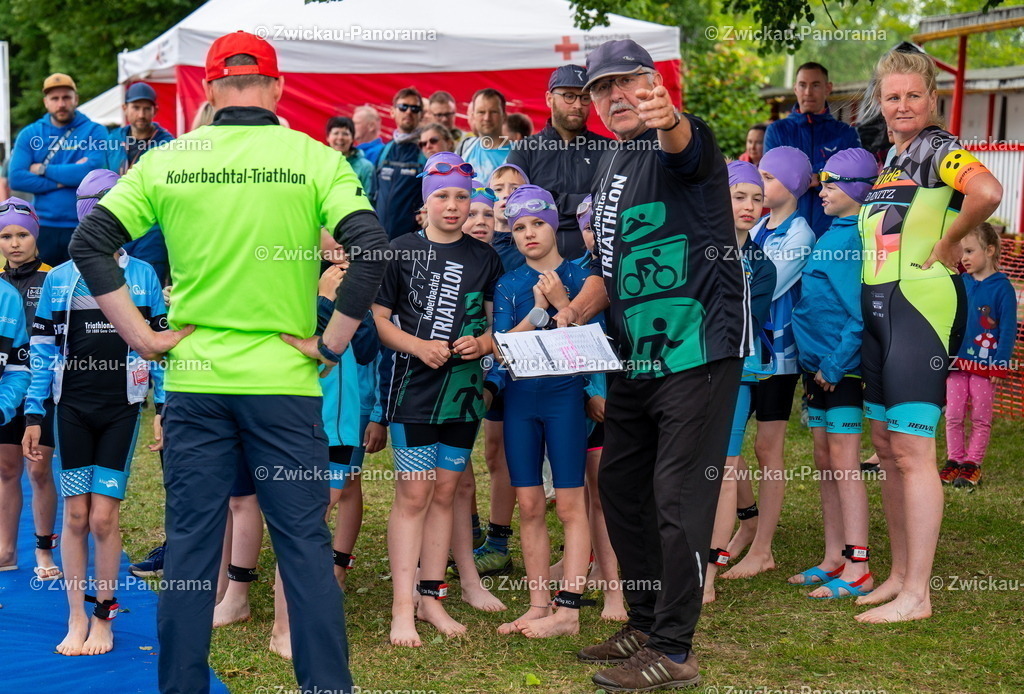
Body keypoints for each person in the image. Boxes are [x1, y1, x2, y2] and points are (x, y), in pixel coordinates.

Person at [68, 31, 389, 691]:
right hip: (285, 384)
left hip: (197, 380)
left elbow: (89, 241)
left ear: (211, 92)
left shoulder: (168, 160)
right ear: (276, 89)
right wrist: (330, 344)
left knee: (191, 548)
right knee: (303, 548)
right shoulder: (313, 158)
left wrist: (143, 337)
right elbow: (373, 249)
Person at [560, 39, 747, 690]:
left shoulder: (682, 138)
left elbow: (687, 147)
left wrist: (669, 119)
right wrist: (575, 311)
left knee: (678, 496)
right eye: (600, 90)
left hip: (697, 348)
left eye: (626, 83)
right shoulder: (613, 156)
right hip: (632, 355)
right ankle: (643, 621)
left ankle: (674, 647)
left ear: (651, 82)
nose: (615, 98)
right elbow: (610, 263)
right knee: (621, 488)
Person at [855, 48, 1001, 624]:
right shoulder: (892, 157)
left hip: (918, 310)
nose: (902, 105)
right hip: (877, 314)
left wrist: (949, 243)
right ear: (881, 103)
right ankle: (898, 577)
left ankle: (919, 593)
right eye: (892, 97)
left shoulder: (938, 147)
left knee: (914, 453)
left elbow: (987, 192)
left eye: (913, 95)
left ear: (932, 99)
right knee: (888, 450)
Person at [26, 169, 166, 656]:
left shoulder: (142, 275)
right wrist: (32, 415)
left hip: (121, 411)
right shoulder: (60, 279)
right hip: (71, 410)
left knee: (104, 519)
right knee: (77, 514)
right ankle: (75, 616)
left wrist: (163, 408)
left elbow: (158, 349)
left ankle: (104, 615)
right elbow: (42, 352)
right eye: (95, 206)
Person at [372, 151, 504, 646]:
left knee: (446, 494)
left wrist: (485, 344)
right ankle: (402, 607)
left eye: (462, 198)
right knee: (413, 495)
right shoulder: (400, 249)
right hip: (413, 392)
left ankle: (432, 599)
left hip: (465, 395)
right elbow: (381, 324)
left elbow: (495, 326)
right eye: (442, 196)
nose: (453, 206)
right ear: (425, 201)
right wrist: (419, 346)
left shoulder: (485, 256)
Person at [722, 146, 815, 581]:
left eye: (768, 178)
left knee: (767, 450)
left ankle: (763, 548)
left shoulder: (801, 234)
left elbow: (765, 284)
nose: (759, 187)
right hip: (745, 357)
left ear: (791, 185)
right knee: (730, 450)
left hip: (778, 357)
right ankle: (747, 523)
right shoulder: (755, 225)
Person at [790, 148, 877, 598]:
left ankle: (859, 566)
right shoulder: (834, 231)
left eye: (831, 183)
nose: (821, 191)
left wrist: (834, 364)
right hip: (817, 369)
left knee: (844, 463)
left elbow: (860, 314)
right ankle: (834, 556)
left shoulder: (852, 238)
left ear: (857, 190)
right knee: (826, 462)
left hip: (837, 370)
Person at [703, 162, 776, 604]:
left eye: (755, 198)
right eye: (738, 196)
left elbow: (747, 323)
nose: (749, 207)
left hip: (736, 373)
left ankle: (708, 574)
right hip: (689, 372)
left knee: (725, 470)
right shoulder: (694, 248)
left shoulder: (761, 265)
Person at [572, 196, 626, 621]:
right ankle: (611, 589)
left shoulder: (637, 269)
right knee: (598, 495)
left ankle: (626, 583)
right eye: (588, 228)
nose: (595, 236)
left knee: (630, 493)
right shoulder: (578, 275)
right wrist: (591, 391)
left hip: (638, 393)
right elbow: (574, 339)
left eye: (600, 227)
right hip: (598, 403)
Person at [506, 65, 610, 260]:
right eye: (569, 96)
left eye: (585, 97)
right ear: (549, 99)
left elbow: (608, 204)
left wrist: (548, 200)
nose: (578, 105)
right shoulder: (524, 150)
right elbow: (516, 204)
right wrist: (583, 204)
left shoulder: (608, 150)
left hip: (595, 262)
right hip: (534, 263)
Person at [942, 223, 1017, 490]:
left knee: (981, 417)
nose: (964, 257)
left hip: (985, 367)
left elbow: (1008, 330)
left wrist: (999, 365)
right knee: (953, 414)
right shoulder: (960, 282)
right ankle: (954, 461)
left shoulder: (1003, 289)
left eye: (970, 251)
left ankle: (972, 465)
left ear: (990, 250)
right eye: (962, 252)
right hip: (956, 364)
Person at [8, 73, 107, 267]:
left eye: (66, 97)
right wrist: (64, 179)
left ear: (76, 99)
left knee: (82, 293)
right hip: (42, 227)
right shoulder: (30, 134)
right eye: (55, 98)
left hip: (84, 226)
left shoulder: (95, 131)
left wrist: (42, 169)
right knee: (41, 290)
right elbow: (17, 178)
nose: (61, 104)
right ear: (46, 102)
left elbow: (92, 173)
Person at [0, 199, 49, 578]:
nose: (14, 243)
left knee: (39, 472)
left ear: (35, 235)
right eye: (6, 236)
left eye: (22, 234)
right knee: (6, 468)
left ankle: (44, 549)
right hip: (9, 384)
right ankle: (6, 549)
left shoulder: (54, 277)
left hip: (43, 389)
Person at [764, 63, 861, 238]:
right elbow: (772, 179)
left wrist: (819, 174)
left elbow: (855, 179)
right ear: (795, 88)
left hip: (833, 230)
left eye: (815, 85)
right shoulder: (777, 130)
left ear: (828, 88)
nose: (808, 92)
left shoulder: (846, 133)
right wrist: (823, 173)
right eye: (802, 85)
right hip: (785, 232)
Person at [105, 82, 175, 285]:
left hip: (151, 229)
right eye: (136, 108)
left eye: (147, 108)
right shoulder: (113, 140)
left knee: (148, 287)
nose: (141, 114)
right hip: (118, 225)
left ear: (155, 110)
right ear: (125, 108)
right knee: (117, 289)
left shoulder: (168, 144)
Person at [375, 88, 427, 240]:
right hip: (381, 241)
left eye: (415, 108)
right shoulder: (385, 150)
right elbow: (372, 197)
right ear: (392, 112)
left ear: (421, 115)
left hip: (412, 243)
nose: (408, 112)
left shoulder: (426, 150)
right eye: (403, 107)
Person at [457, 88, 511, 182]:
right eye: (481, 112)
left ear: (504, 116)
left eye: (493, 112)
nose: (487, 118)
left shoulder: (518, 154)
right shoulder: (465, 146)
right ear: (473, 116)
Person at [327, 116, 376, 200]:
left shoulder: (365, 167)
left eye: (345, 134)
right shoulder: (320, 164)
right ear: (328, 138)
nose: (340, 138)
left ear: (352, 138)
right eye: (336, 133)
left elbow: (369, 201)